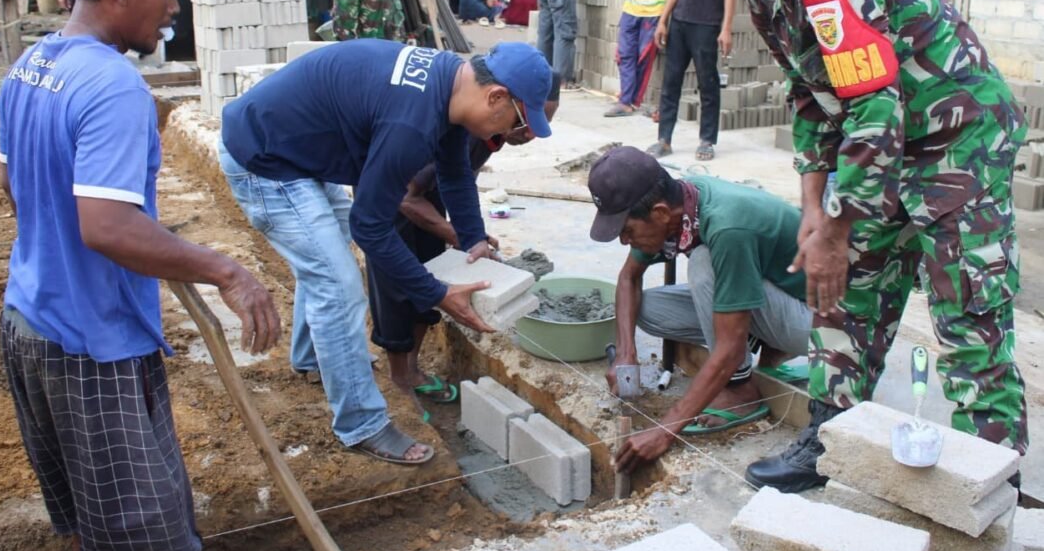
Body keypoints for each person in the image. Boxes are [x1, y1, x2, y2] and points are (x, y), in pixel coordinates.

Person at [643, 0, 1028, 493]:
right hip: (884, 148)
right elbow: (814, 99)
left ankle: (993, 487)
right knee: (844, 297)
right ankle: (827, 438)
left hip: (954, 141)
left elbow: (874, 111)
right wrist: (814, 211)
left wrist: (838, 229)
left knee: (968, 313)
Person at [0, 0, 281, 551]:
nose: (174, 4)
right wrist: (227, 272)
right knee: (124, 543)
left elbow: (20, 194)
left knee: (92, 527)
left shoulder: (29, 67)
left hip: (31, 323)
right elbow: (108, 227)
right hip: (91, 342)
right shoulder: (114, 85)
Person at [219, 40, 553, 465]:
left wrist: (474, 239)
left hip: (297, 149)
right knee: (340, 288)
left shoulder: (450, 84)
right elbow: (370, 226)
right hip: (264, 159)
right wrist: (437, 293)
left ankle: (310, 357)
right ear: (496, 96)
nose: (507, 134)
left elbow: (454, 172)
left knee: (326, 255)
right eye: (516, 121)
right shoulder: (411, 124)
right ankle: (362, 425)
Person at [589, 146, 811, 472]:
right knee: (648, 308)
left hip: (820, 323)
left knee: (704, 265)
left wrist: (665, 429)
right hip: (774, 294)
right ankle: (760, 342)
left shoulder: (725, 226)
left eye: (627, 231)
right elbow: (628, 279)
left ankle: (740, 390)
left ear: (661, 213)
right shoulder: (681, 202)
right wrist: (626, 352)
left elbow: (729, 350)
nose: (625, 241)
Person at [363, 75, 561, 413]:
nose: (530, 134)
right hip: (391, 200)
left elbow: (460, 181)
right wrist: (457, 236)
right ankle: (399, 381)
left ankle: (412, 369)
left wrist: (472, 234)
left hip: (428, 199)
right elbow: (406, 198)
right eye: (527, 122)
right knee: (398, 287)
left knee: (436, 278)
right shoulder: (464, 127)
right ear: (502, 101)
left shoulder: (493, 133)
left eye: (541, 125)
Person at [648, 0, 736, 160]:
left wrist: (726, 28)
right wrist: (663, 21)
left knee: (707, 83)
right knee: (670, 82)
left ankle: (707, 140)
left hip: (707, 24)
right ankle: (664, 139)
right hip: (680, 20)